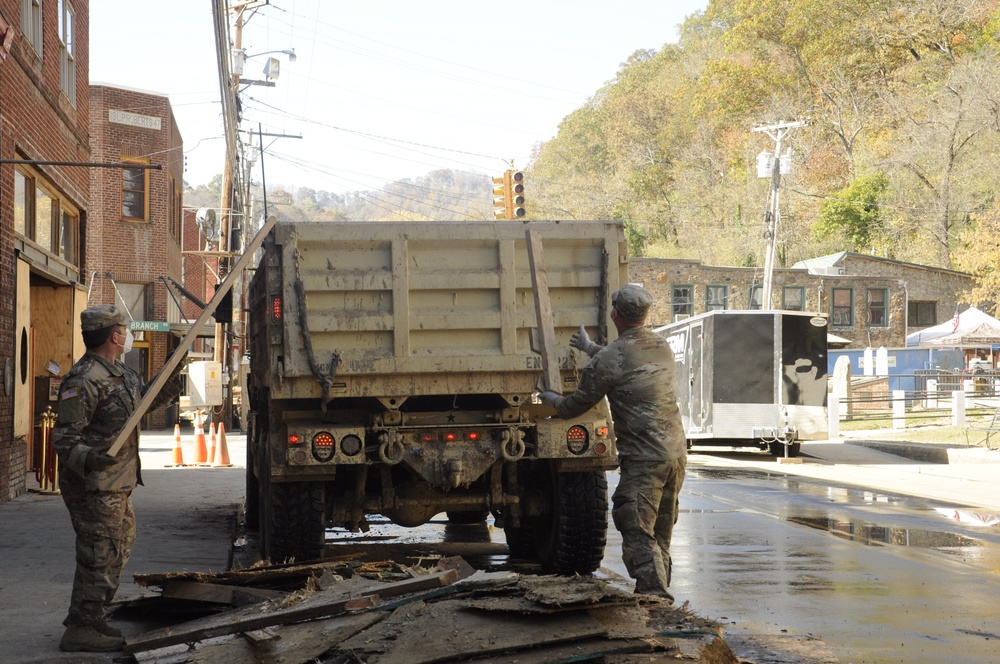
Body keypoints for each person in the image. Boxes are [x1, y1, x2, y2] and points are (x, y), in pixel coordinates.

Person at [538, 285, 686, 601]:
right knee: (660, 528)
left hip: (645, 457)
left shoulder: (611, 358)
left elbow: (573, 407)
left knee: (633, 520)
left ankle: (654, 594)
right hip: (675, 454)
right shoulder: (662, 347)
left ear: (614, 313)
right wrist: (592, 348)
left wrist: (550, 398)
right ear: (645, 314)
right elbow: (624, 362)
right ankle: (659, 589)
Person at [53, 305, 183, 652]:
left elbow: (144, 401)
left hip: (117, 483)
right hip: (95, 485)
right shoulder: (84, 379)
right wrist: (93, 459)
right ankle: (80, 629)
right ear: (114, 336)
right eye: (125, 330)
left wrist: (173, 371)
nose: (128, 335)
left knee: (118, 547)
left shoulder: (119, 374)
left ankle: (92, 616)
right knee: (99, 553)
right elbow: (64, 440)